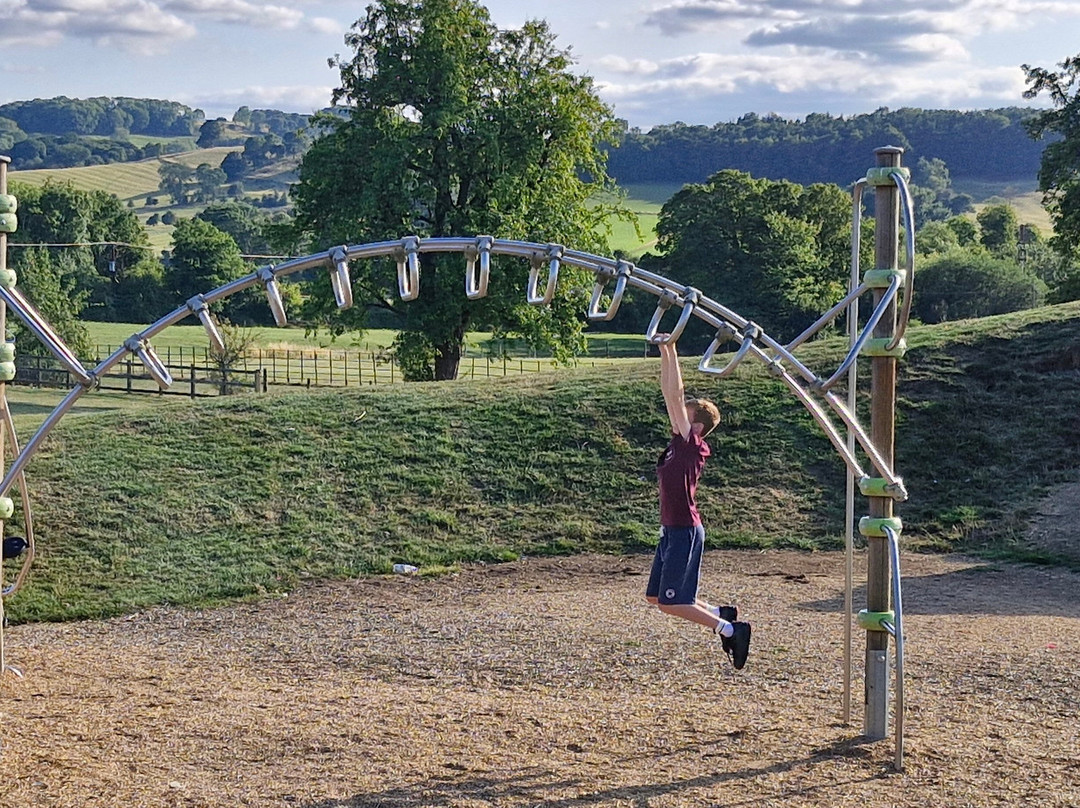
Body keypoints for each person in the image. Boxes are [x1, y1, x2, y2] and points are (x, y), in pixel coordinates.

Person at [645, 336, 752, 670]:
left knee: (669, 603)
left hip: (684, 532)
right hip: (672, 531)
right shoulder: (680, 442)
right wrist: (663, 351)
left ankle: (730, 629)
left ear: (697, 425)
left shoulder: (693, 445)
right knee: (655, 597)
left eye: (684, 414)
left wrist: (673, 349)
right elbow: (670, 396)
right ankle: (721, 614)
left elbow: (673, 394)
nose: (674, 414)